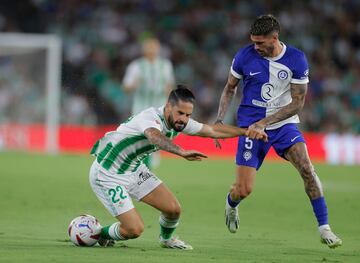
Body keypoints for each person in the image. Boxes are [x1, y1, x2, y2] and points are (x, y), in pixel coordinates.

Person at [215, 14, 342, 248]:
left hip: (283, 124)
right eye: (253, 42)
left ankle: (324, 227)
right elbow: (229, 89)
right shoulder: (244, 55)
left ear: (275, 38)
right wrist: (220, 119)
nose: (256, 47)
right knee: (244, 189)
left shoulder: (296, 59)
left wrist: (266, 122)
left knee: (306, 167)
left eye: (260, 43)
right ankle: (231, 204)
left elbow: (298, 102)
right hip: (250, 128)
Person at [89, 86, 268, 249]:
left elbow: (212, 131)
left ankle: (167, 240)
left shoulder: (179, 122)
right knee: (133, 229)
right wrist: (181, 152)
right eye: (180, 113)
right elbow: (153, 136)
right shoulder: (150, 118)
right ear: (168, 107)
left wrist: (247, 132)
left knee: (173, 209)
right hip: (108, 172)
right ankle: (96, 234)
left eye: (188, 115)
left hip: (133, 169)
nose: (183, 119)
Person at [122, 37, 175, 168]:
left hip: (159, 109)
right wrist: (133, 85)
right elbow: (125, 87)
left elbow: (169, 86)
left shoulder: (165, 65)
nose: (152, 49)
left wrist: (171, 104)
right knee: (142, 138)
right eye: (149, 47)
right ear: (143, 50)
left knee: (155, 138)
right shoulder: (136, 66)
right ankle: (142, 167)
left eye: (154, 46)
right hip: (141, 108)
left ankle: (146, 168)